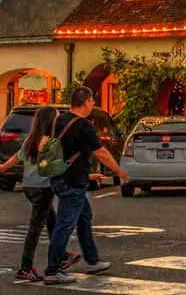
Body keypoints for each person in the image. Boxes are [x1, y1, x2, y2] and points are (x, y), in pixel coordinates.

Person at [41, 86, 129, 286]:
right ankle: (52, 270)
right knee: (65, 225)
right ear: (86, 102)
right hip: (73, 182)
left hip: (58, 176)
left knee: (84, 218)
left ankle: (91, 259)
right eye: (92, 101)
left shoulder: (57, 120)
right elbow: (101, 153)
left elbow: (45, 146)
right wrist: (119, 171)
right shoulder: (84, 126)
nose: (93, 105)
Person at [0, 106, 81, 284]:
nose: (59, 121)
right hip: (43, 188)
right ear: (51, 121)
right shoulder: (51, 141)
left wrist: (3, 167)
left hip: (29, 186)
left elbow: (18, 156)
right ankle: (25, 268)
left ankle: (62, 255)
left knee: (52, 222)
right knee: (35, 230)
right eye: (57, 118)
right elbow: (56, 166)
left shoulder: (32, 139)